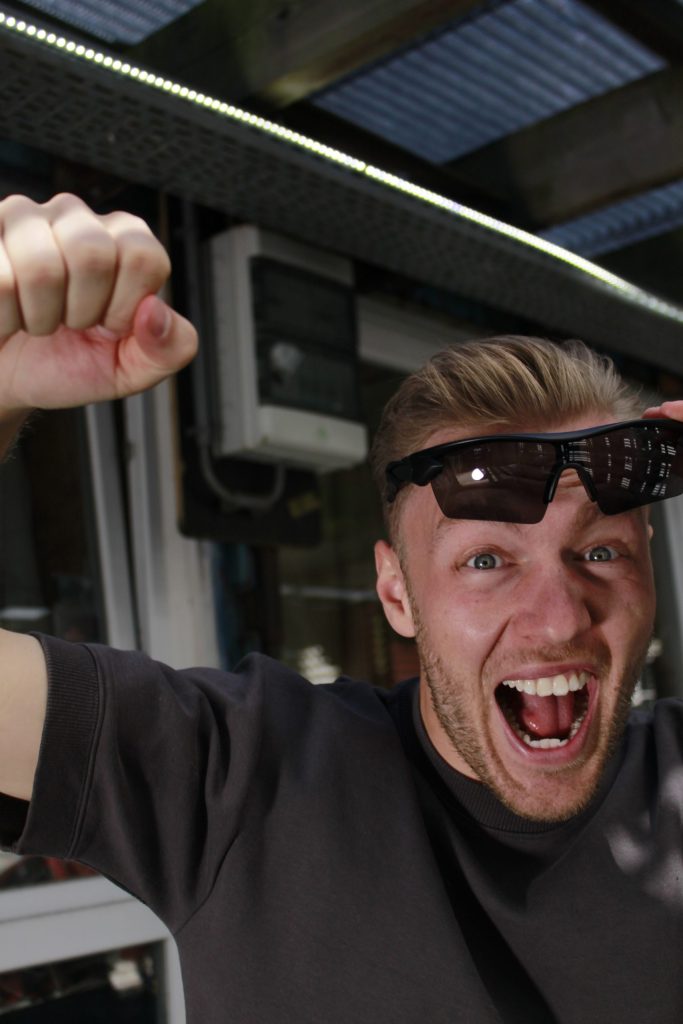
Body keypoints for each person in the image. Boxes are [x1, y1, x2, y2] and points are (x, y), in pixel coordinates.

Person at [1, 193, 683, 1024]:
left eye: (601, 552)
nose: (559, 618)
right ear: (397, 594)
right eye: (486, 561)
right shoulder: (244, 781)